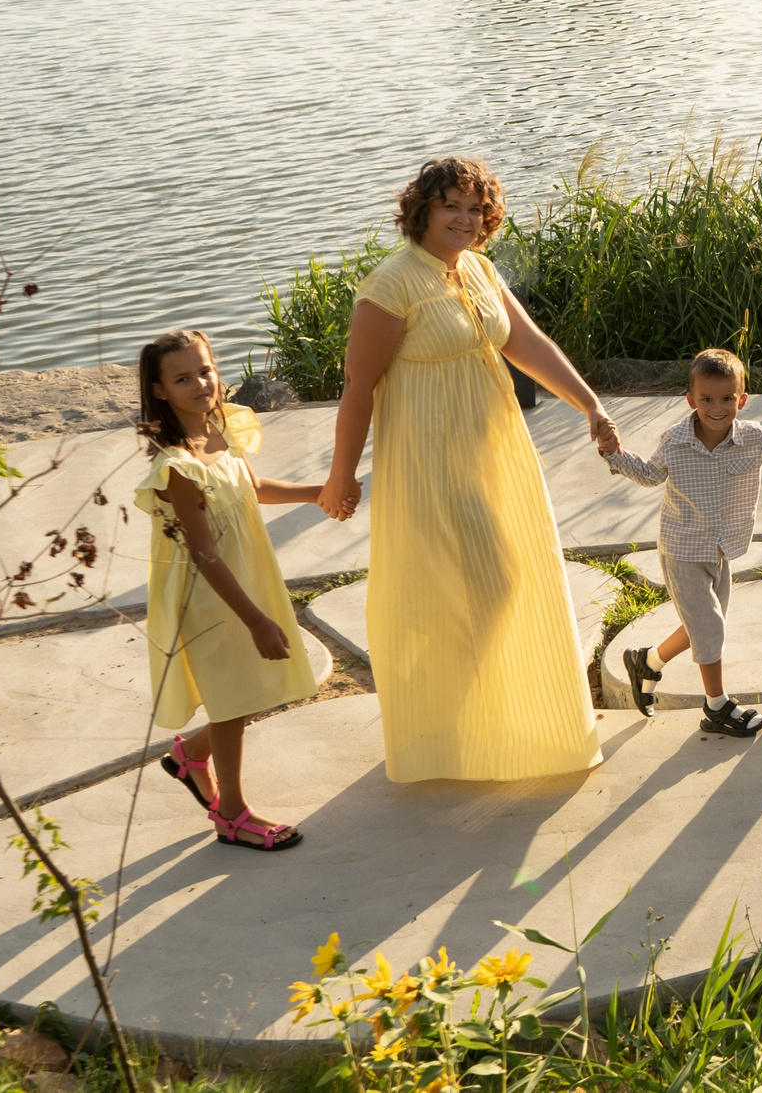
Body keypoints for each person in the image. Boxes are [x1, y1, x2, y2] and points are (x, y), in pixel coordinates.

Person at [317, 156, 614, 782]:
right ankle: (448, 721)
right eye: (452, 205)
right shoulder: (391, 285)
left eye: (476, 209)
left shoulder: (476, 269)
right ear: (422, 210)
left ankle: (459, 714)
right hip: (429, 462)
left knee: (494, 584)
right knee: (477, 587)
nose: (466, 219)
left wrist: (589, 404)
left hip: (492, 453)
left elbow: (526, 344)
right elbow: (358, 387)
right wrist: (341, 476)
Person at [132, 329, 323, 852]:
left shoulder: (220, 430)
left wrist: (319, 493)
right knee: (234, 697)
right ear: (161, 391)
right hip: (212, 595)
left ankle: (191, 756)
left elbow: (253, 488)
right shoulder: (176, 467)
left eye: (206, 370)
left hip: (247, 575)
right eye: (182, 378)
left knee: (249, 687)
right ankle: (232, 816)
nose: (200, 384)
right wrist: (255, 619)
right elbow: (202, 552)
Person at [606, 348, 762, 736]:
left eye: (726, 399)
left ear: (742, 399)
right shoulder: (676, 441)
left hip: (721, 550)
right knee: (710, 629)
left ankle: (647, 661)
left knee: (701, 625)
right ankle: (716, 706)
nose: (716, 408)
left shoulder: (753, 438)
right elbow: (650, 475)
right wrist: (613, 453)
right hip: (683, 550)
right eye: (706, 400)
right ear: (691, 400)